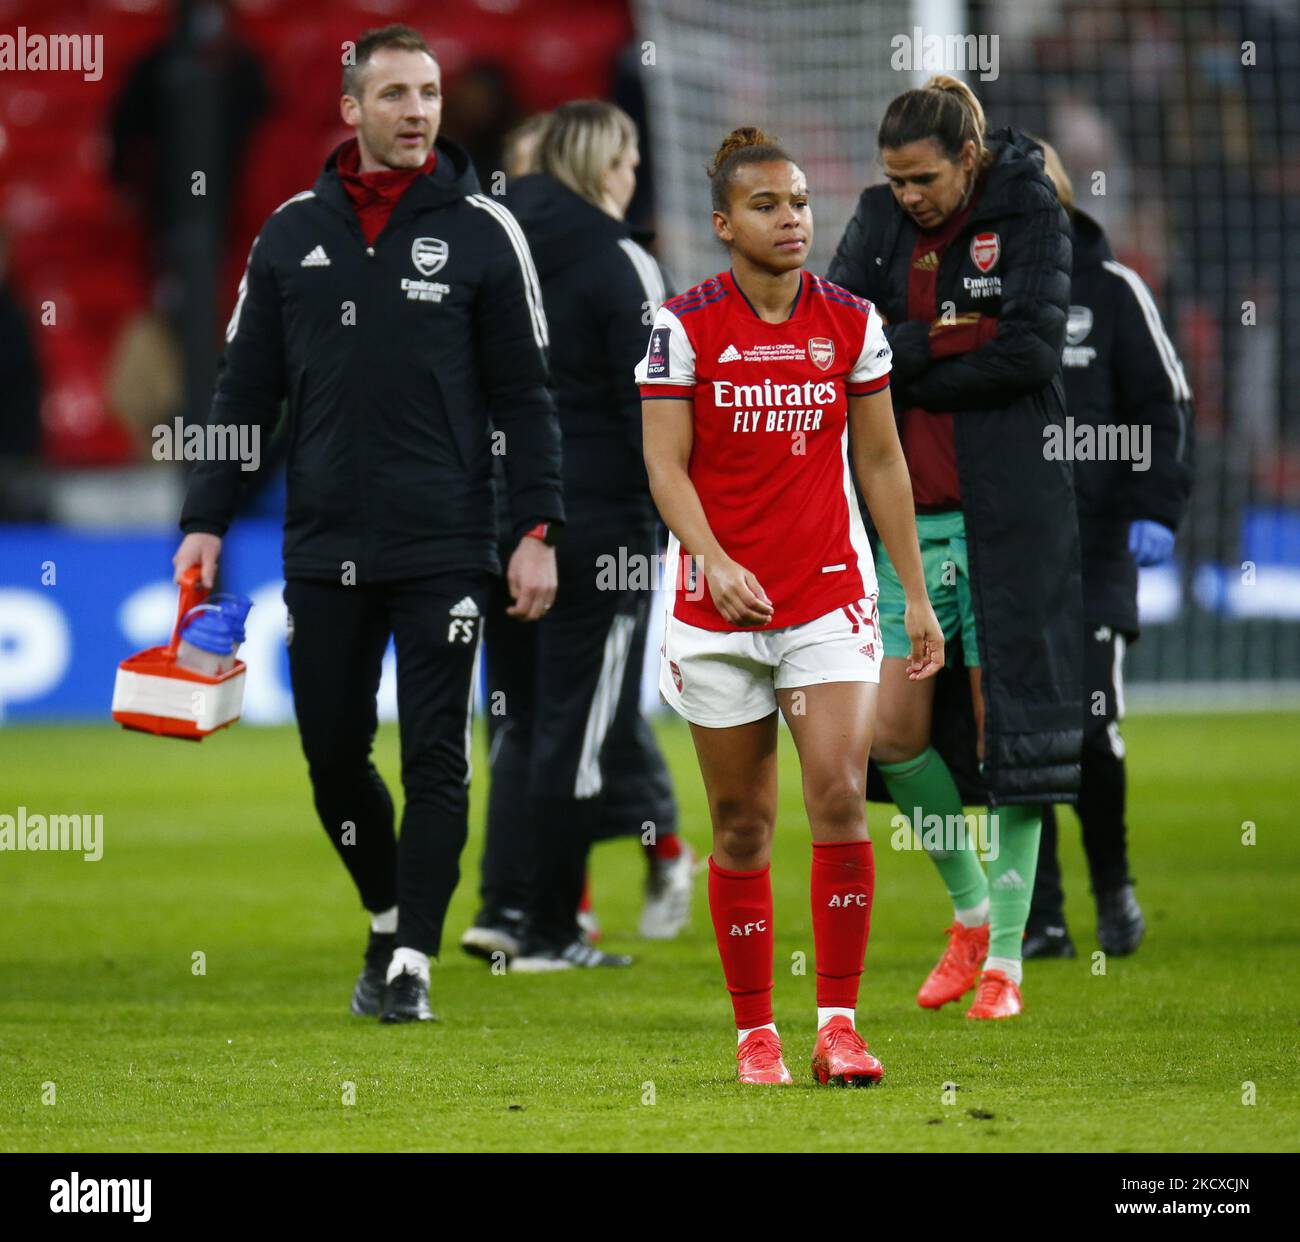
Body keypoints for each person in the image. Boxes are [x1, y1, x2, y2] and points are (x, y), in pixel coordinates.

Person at [171, 24, 563, 1023]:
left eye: (428, 92)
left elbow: (527, 398)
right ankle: (386, 912)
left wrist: (536, 529)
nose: (418, 110)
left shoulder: (484, 230)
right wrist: (206, 518)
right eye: (394, 94)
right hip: (325, 546)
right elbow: (243, 392)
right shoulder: (289, 234)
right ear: (350, 109)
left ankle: (411, 966)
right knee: (333, 754)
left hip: (446, 543)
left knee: (437, 753)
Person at [638, 127, 943, 1085]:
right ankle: (754, 1034)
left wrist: (917, 594)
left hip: (827, 600)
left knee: (843, 796)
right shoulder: (682, 326)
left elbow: (883, 460)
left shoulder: (851, 321)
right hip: (714, 611)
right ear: (724, 223)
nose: (793, 219)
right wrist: (712, 560)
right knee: (741, 825)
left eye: (803, 201)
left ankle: (839, 1026)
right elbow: (662, 462)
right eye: (768, 205)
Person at [828, 76, 1080, 1020]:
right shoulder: (874, 219)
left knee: (1006, 739)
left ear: (967, 159)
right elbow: (840, 341)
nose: (907, 198)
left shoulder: (1030, 215)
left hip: (1006, 519)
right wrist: (946, 339)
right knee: (890, 737)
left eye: (923, 179)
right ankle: (971, 914)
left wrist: (904, 362)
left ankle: (1007, 966)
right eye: (894, 182)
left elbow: (1030, 355)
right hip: (903, 526)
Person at [461, 101, 688, 971]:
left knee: (515, 724)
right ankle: (555, 929)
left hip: (499, 521)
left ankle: (502, 911)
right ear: (605, 164)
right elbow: (656, 406)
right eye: (629, 160)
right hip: (600, 530)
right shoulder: (619, 261)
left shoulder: (492, 248)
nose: (634, 178)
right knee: (577, 733)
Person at [1024, 143, 1194, 960]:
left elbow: (1165, 407)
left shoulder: (1114, 290)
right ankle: (1042, 917)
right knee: (1016, 739)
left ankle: (1112, 887)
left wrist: (1155, 506)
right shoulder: (981, 299)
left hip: (1093, 554)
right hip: (1008, 553)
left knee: (1090, 728)